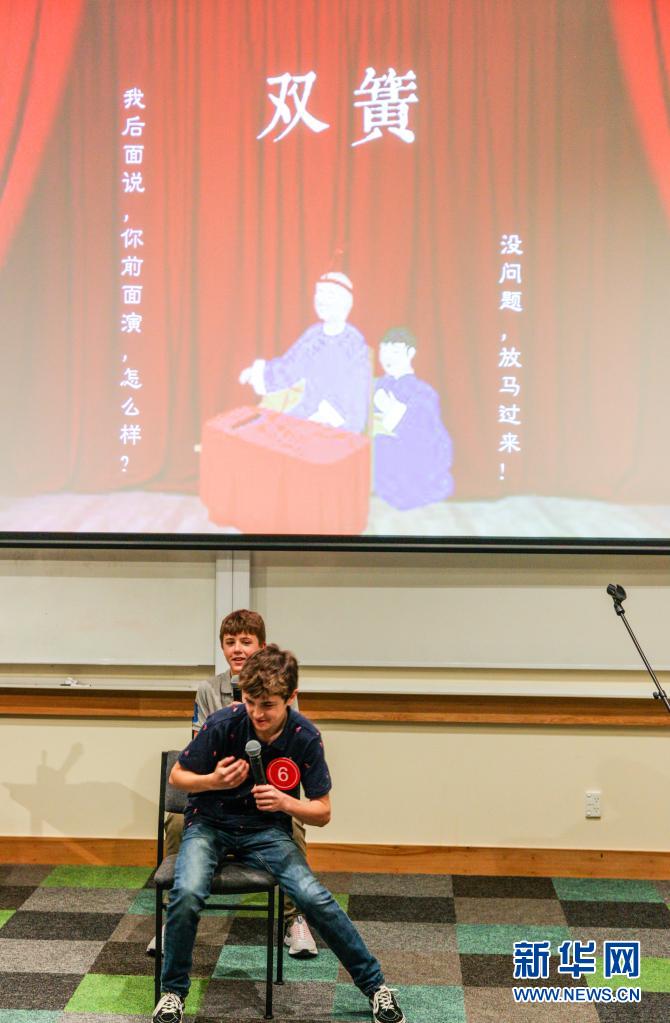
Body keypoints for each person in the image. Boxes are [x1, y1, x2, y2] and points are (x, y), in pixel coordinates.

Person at [152, 645, 407, 1023]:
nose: (257, 713)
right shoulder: (223, 723)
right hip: (209, 825)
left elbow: (323, 813)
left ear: (290, 697)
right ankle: (173, 993)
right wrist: (212, 781)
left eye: (268, 705)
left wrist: (286, 803)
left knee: (313, 897)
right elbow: (178, 777)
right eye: (250, 702)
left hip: (266, 832)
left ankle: (376, 987)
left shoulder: (305, 736)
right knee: (187, 893)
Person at [150, 610, 317, 959]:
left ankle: (294, 918)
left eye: (246, 641)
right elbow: (197, 750)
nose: (237, 649)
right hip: (217, 789)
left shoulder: (280, 687)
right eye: (230, 642)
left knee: (295, 826)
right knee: (177, 821)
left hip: (261, 791)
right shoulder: (208, 690)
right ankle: (174, 919)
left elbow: (288, 749)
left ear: (262, 647)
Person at [239, 271, 370, 433]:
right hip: (306, 410)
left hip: (339, 420)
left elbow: (356, 394)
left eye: (329, 294)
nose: (321, 299)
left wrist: (328, 416)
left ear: (344, 301)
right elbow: (289, 367)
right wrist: (258, 374)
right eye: (319, 292)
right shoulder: (313, 335)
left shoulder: (354, 343)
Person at [373, 327, 454, 509]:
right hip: (384, 473)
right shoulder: (378, 385)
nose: (388, 358)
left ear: (411, 353)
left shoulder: (423, 393)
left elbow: (428, 438)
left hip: (414, 474)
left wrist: (396, 412)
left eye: (395, 352)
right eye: (384, 352)